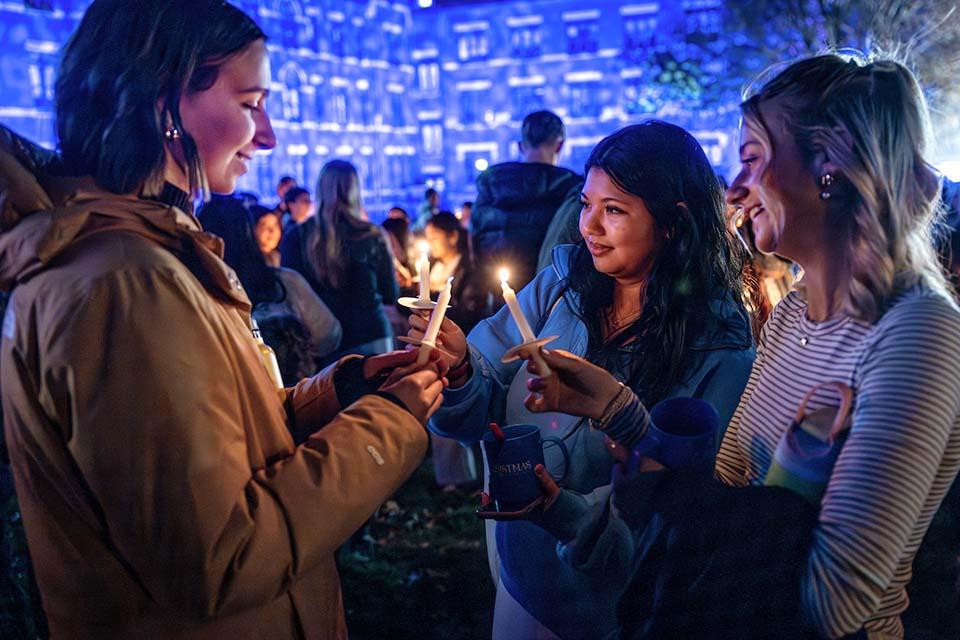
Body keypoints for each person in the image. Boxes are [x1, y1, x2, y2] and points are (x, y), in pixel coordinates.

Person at [0, 2, 444, 637]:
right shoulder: (124, 287)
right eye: (250, 102)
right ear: (162, 103)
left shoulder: (143, 260)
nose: (268, 136)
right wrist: (388, 426)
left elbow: (214, 451)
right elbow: (218, 556)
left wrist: (345, 394)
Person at [520, 55, 960, 639]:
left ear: (829, 167)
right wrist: (621, 412)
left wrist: (786, 472)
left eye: (753, 158)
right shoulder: (791, 315)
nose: (734, 188)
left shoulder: (916, 332)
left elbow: (831, 606)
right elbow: (725, 483)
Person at [411, 121, 756, 639]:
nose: (588, 226)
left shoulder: (718, 345)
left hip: (622, 607)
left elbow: (684, 503)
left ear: (672, 222)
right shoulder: (563, 285)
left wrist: (565, 513)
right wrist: (459, 368)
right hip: (522, 576)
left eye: (613, 210)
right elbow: (483, 399)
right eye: (586, 203)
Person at [198, 195, 343, 370]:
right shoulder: (284, 283)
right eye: (264, 227)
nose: (272, 233)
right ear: (250, 233)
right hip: (295, 389)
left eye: (275, 226)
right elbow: (327, 334)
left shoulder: (196, 293)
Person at [282, 159, 400, 357]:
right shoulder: (372, 235)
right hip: (371, 335)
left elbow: (291, 294)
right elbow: (390, 293)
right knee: (380, 388)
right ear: (355, 190)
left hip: (322, 338)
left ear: (320, 189)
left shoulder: (297, 236)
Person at [471, 110, 583, 299]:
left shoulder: (491, 185)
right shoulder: (569, 189)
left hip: (499, 294)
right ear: (559, 145)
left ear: (521, 146)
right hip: (548, 298)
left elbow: (474, 242)